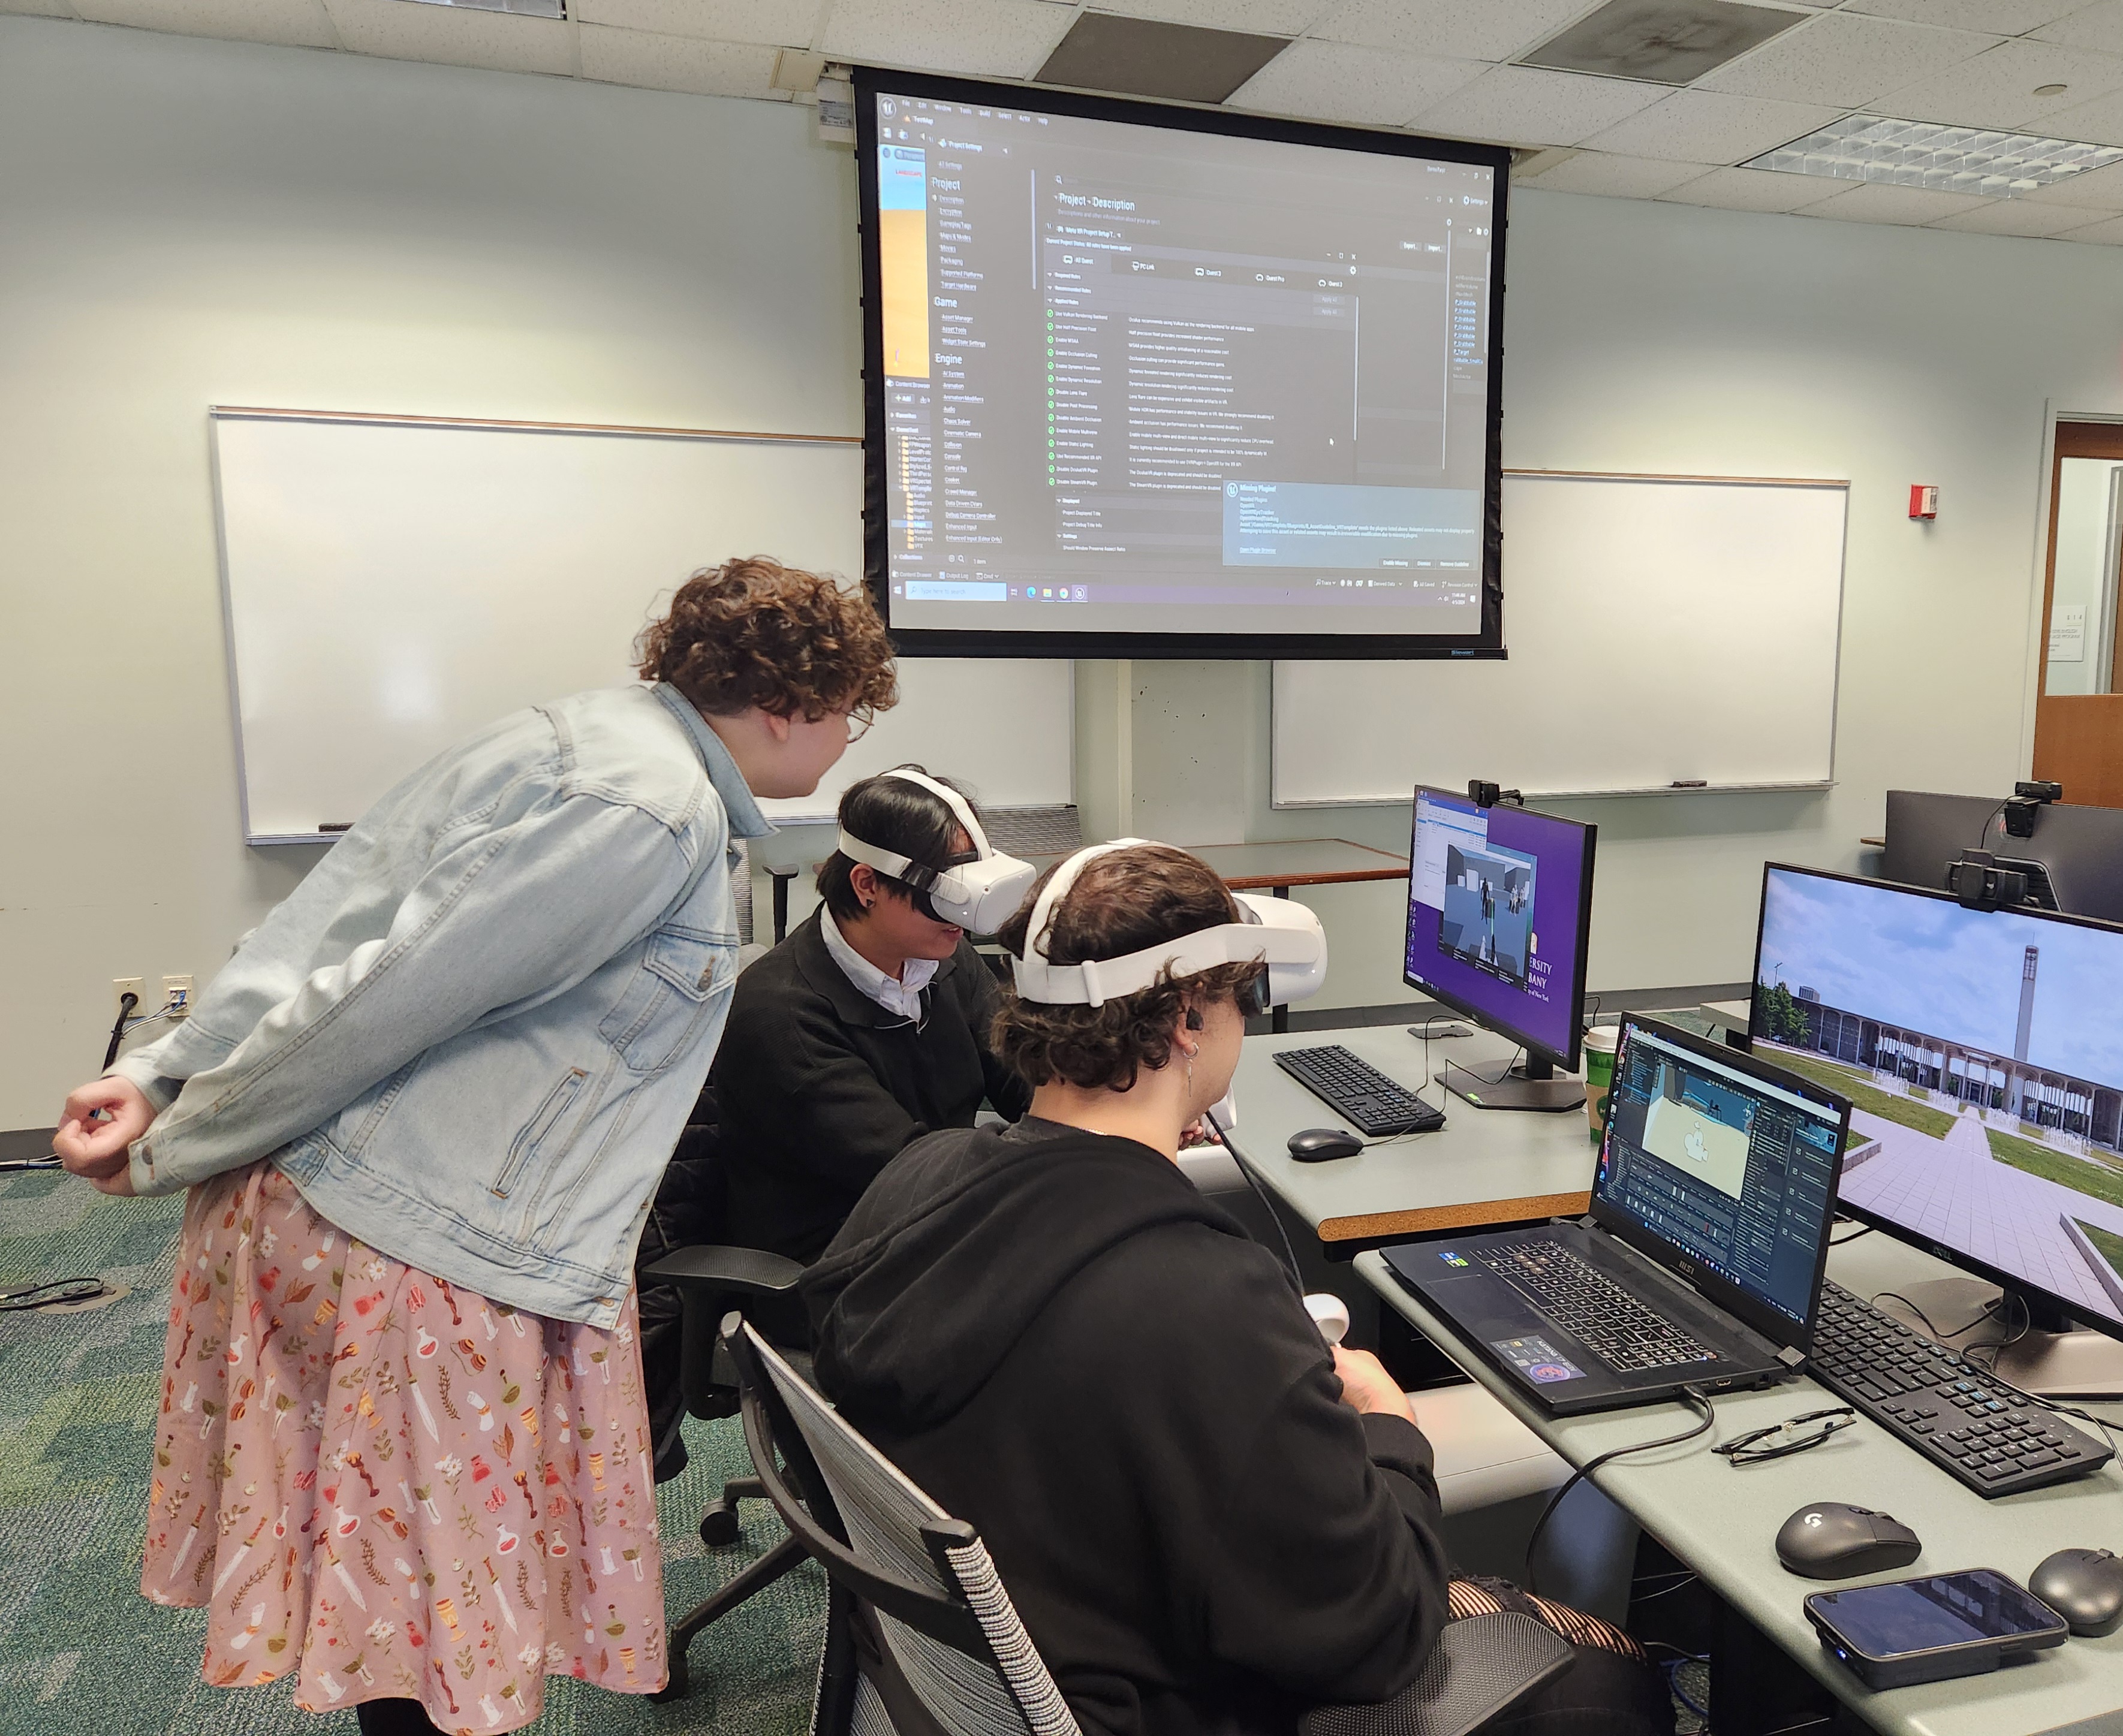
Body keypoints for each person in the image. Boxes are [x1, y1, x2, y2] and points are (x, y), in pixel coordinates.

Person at [52, 557, 897, 1736]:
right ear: (786, 709)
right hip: (417, 1242)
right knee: (427, 1614)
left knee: (400, 1592)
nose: (844, 744)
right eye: (849, 717)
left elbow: (332, 920)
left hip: (378, 1217)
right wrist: (178, 1125)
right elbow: (383, 993)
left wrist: (162, 1069)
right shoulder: (648, 811)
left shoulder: (576, 736)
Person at [801, 843, 1673, 1736]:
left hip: (1014, 1654)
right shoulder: (1197, 1297)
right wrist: (1391, 1432)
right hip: (1161, 1696)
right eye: (1238, 1004)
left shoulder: (917, 1180)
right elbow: (1374, 1638)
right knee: (1602, 1684)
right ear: (1186, 1018)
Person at [635, 767, 1035, 1478]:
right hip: (828, 1273)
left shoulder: (944, 958)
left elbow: (1018, 1081)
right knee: (1052, 1331)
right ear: (867, 885)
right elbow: (908, 1170)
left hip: (931, 1232)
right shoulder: (778, 1011)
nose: (959, 920)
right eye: (940, 896)